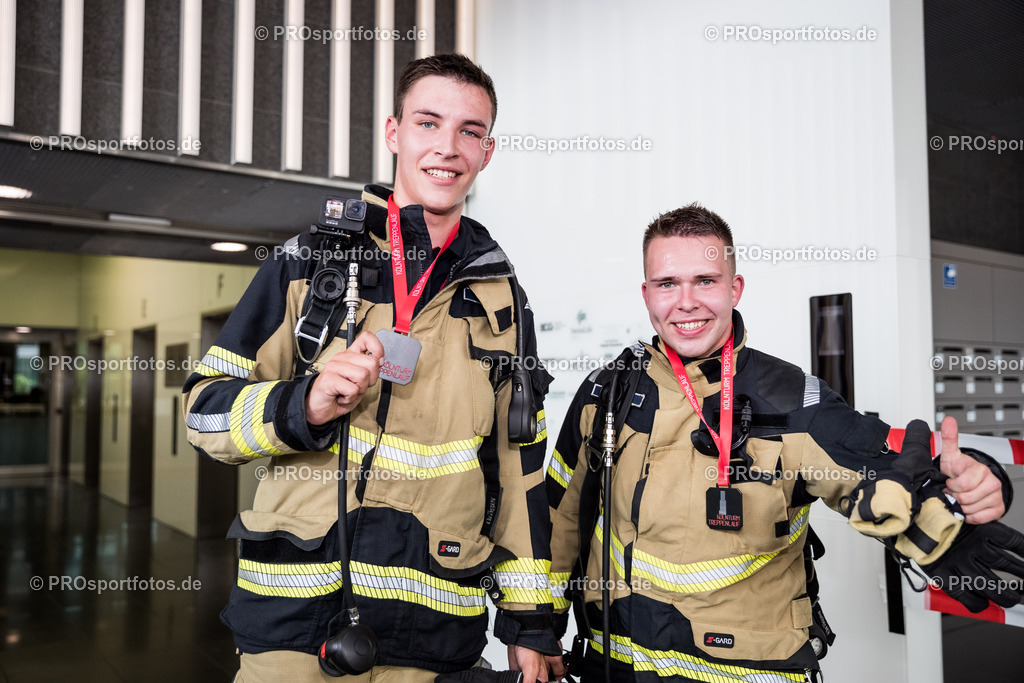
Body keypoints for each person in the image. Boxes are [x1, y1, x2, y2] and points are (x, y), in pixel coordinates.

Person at [183, 54, 560, 682]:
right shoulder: (308, 264)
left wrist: (531, 623)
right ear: (393, 133)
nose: (447, 147)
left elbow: (518, 470)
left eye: (469, 131)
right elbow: (202, 412)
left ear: (487, 152)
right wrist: (300, 405)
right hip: (296, 625)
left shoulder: (501, 299)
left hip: (434, 629)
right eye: (428, 122)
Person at [545, 203, 1021, 682]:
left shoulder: (793, 399)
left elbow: (885, 472)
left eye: (706, 281)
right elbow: (557, 517)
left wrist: (974, 481)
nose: (686, 302)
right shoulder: (607, 392)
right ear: (647, 294)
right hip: (614, 667)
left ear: (735, 288)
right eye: (668, 284)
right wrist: (534, 631)